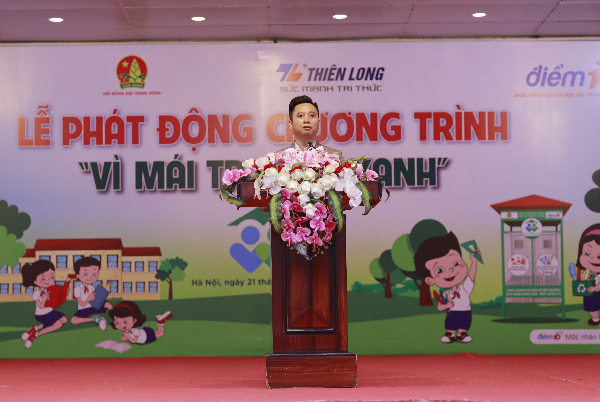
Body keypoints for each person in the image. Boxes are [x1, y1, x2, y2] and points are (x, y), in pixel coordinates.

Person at [414, 232, 480, 343]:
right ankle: (450, 335)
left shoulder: (464, 289)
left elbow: (471, 276)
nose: (451, 270)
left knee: (464, 325)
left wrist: (474, 261)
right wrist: (447, 305)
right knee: (451, 325)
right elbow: (440, 307)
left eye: (456, 263)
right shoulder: (445, 294)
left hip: (466, 313)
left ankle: (462, 335)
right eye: (439, 270)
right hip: (453, 313)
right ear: (430, 280)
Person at [20, 260, 68, 348]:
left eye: (51, 276)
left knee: (64, 319)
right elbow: (41, 306)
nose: (48, 280)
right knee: (58, 324)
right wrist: (44, 299)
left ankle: (34, 328)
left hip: (50, 312)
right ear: (35, 281)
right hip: (41, 314)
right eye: (43, 278)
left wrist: (63, 294)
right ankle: (34, 336)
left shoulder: (49, 290)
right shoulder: (36, 294)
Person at [277, 95, 343, 159]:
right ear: (291, 124)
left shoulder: (334, 156)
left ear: (318, 122)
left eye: (312, 115)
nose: (306, 120)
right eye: (301, 116)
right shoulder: (279, 158)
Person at [70, 257, 112, 330]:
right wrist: (88, 299)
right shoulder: (77, 289)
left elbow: (96, 300)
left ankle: (115, 317)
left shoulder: (91, 287)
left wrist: (102, 295)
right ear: (77, 275)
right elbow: (81, 304)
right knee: (73, 320)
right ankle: (94, 319)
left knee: (108, 304)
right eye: (85, 273)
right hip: (84, 309)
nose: (90, 277)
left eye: (94, 274)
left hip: (94, 307)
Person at [575, 224, 600, 326]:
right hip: (590, 293)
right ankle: (595, 319)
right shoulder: (587, 272)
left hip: (597, 291)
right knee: (591, 306)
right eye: (587, 253)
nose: (593, 258)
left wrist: (595, 288)